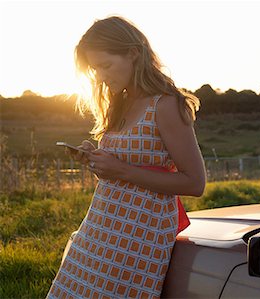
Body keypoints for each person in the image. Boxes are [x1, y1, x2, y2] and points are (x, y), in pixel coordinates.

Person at [47, 15, 206, 299]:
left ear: (133, 53)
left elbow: (195, 183)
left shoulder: (166, 105)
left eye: (105, 65)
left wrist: (119, 170)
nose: (100, 76)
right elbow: (127, 166)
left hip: (140, 232)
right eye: (95, 69)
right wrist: (97, 159)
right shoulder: (119, 101)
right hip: (101, 224)